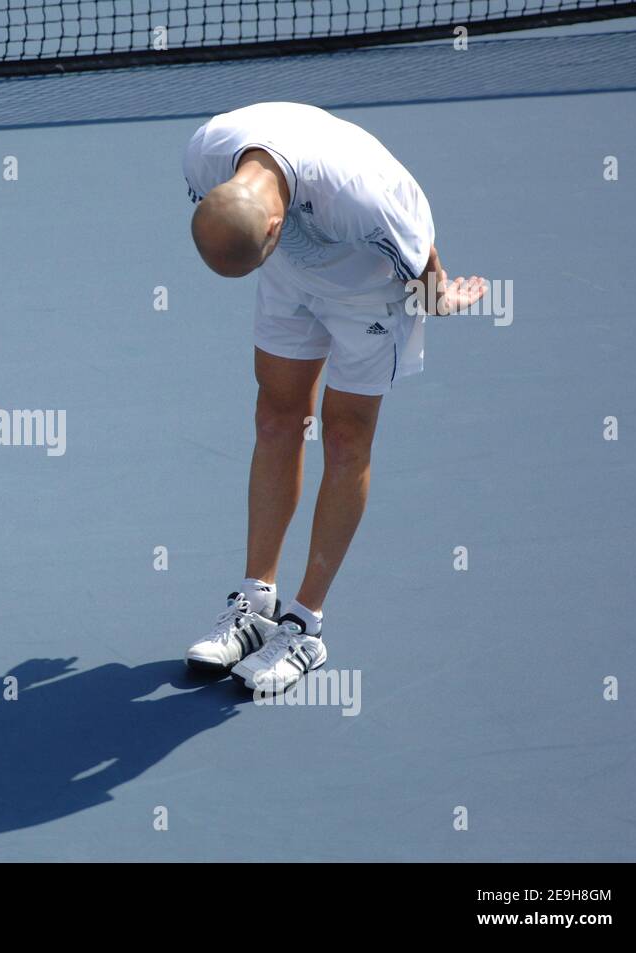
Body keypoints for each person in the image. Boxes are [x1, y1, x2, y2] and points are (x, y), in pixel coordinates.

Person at [181, 102, 486, 693]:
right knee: (275, 419)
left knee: (345, 435)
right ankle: (255, 603)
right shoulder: (206, 154)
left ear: (273, 228)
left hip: (369, 289)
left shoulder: (360, 196)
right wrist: (272, 264)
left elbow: (418, 250)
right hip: (290, 273)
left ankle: (305, 626)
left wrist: (437, 297)